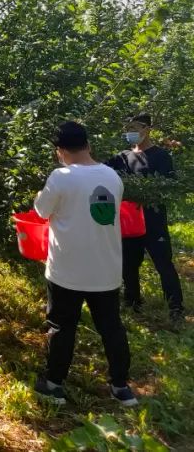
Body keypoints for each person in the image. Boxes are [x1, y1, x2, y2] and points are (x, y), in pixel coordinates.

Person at [32, 121, 137, 407]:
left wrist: (39, 196)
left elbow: (42, 211)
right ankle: (121, 387)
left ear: (60, 151)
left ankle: (53, 385)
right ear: (89, 146)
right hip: (107, 268)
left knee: (62, 326)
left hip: (67, 270)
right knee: (111, 327)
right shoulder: (112, 177)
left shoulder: (61, 176)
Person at [105, 113, 185, 325]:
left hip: (153, 220)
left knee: (163, 263)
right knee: (129, 264)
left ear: (146, 129)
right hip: (128, 221)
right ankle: (132, 302)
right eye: (127, 127)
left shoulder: (161, 156)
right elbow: (100, 172)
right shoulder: (121, 157)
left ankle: (175, 307)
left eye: (134, 127)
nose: (130, 132)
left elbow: (167, 187)